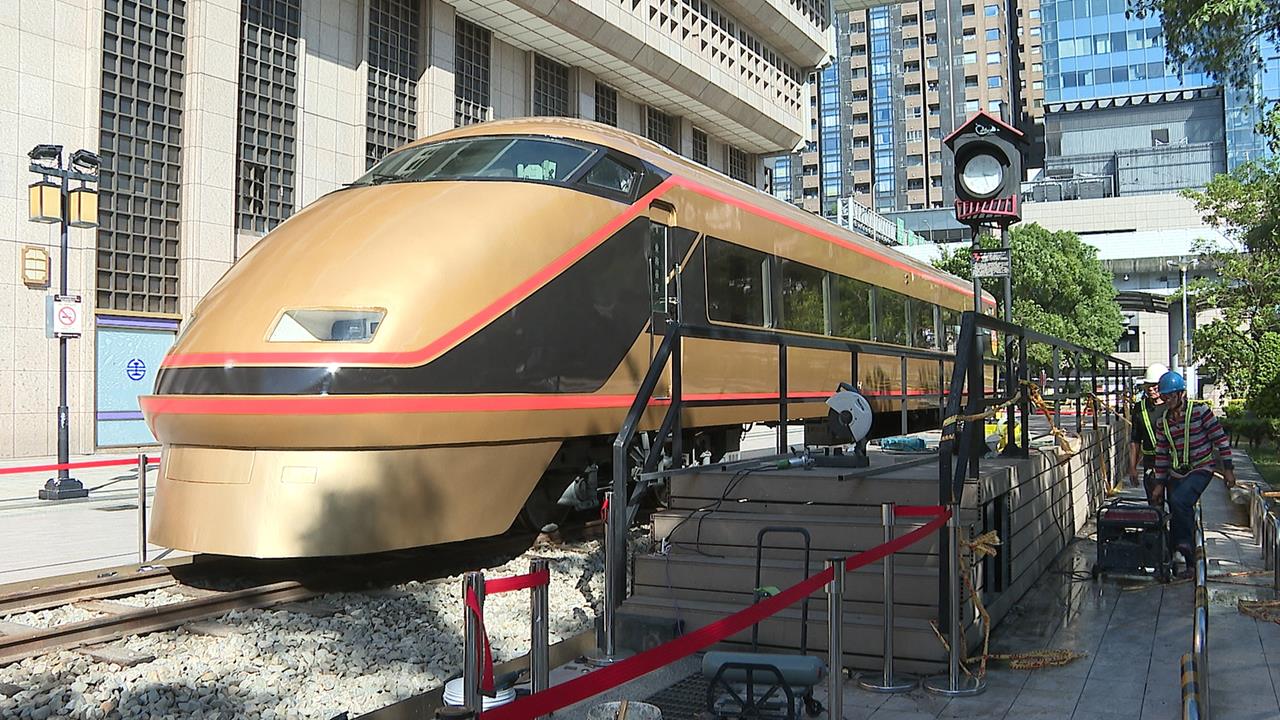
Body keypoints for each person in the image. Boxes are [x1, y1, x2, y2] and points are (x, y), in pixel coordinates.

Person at [1152, 370, 1236, 575]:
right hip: (1177, 472)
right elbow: (1162, 454)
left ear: (1181, 394)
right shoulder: (1163, 422)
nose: (1168, 400)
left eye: (1172, 395)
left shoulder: (1200, 412)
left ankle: (1185, 549)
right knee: (1175, 507)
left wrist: (1228, 469)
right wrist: (1159, 484)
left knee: (1181, 500)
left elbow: (1220, 439)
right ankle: (1183, 555)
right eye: (1165, 396)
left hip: (1202, 468)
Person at [1129, 363, 1168, 506]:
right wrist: (1132, 467)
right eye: (1148, 385)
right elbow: (1135, 440)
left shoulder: (1173, 405)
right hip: (1152, 463)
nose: (1151, 389)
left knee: (1177, 504)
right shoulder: (1140, 408)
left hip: (1174, 463)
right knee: (1155, 505)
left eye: (1155, 385)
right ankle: (1158, 528)